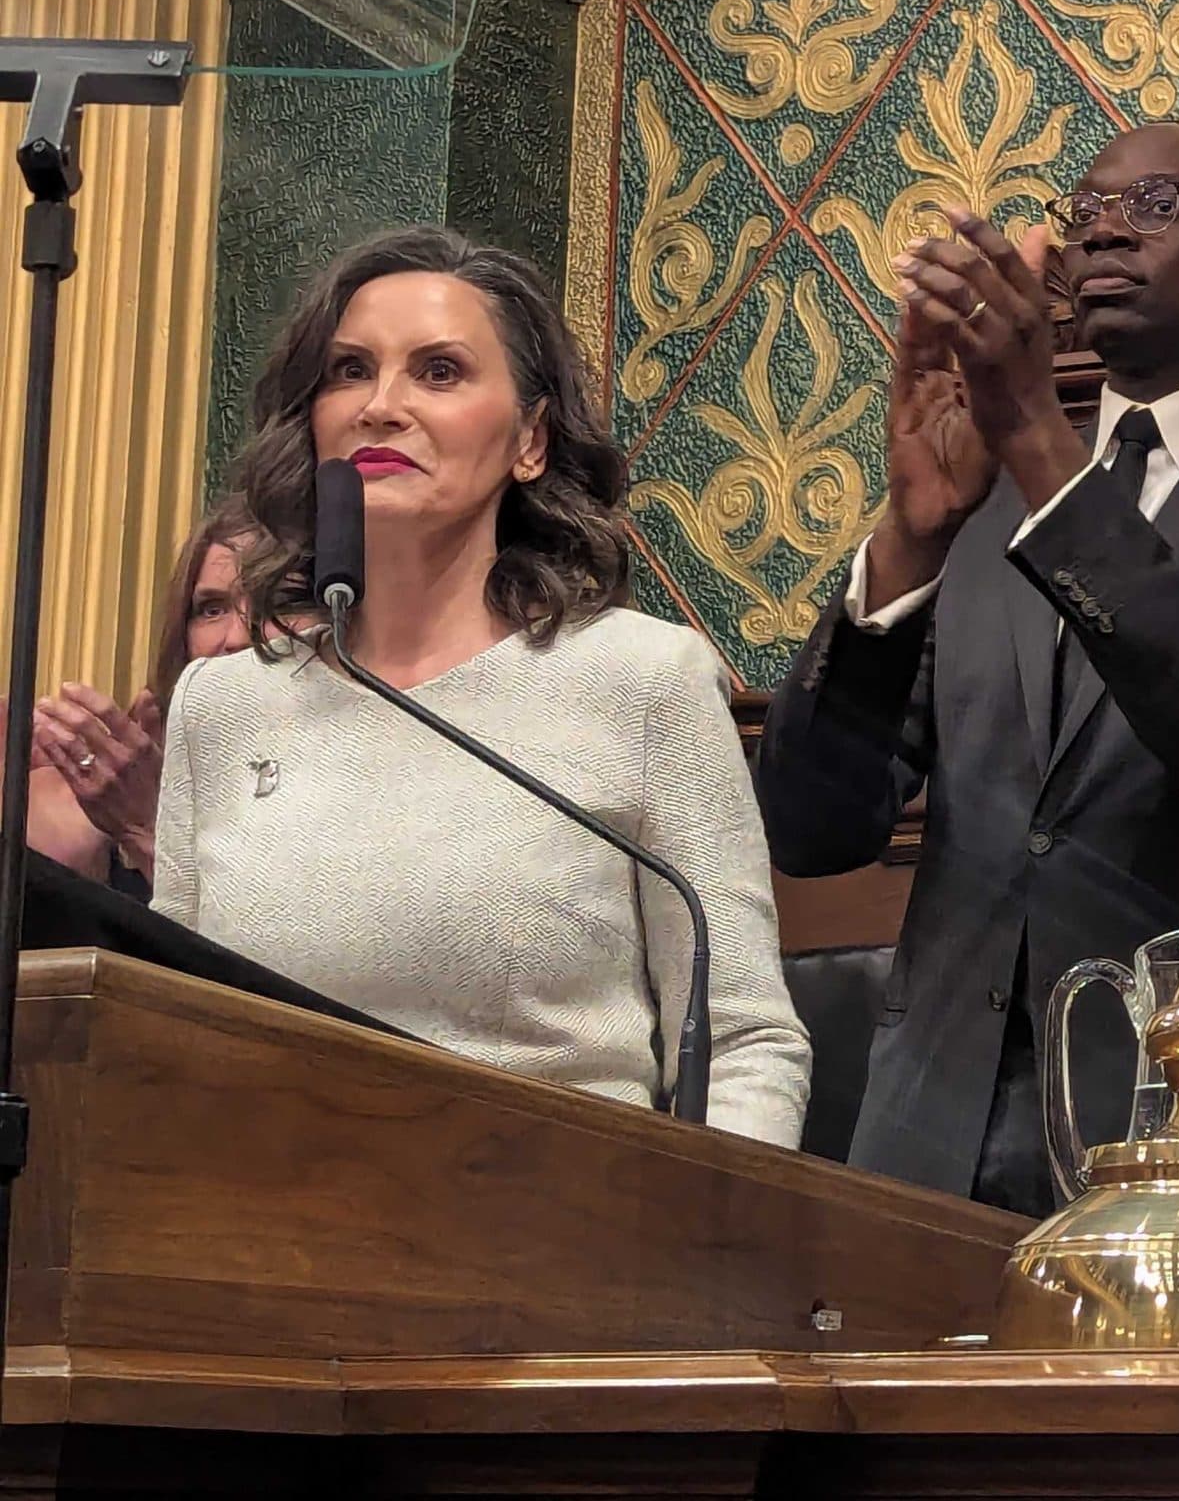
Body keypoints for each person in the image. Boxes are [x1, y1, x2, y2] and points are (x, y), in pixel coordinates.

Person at [756, 121, 1179, 1213]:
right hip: (926, 1147)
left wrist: (1038, 436)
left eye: (1157, 205)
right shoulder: (976, 504)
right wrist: (909, 537)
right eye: (1082, 215)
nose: (1104, 235)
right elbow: (811, 828)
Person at [154, 227, 810, 1146]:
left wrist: (696, 1260)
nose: (381, 406)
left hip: (558, 1248)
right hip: (264, 1239)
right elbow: (171, 1034)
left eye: (439, 372)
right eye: (348, 371)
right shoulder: (221, 708)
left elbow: (745, 1042)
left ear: (531, 439)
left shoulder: (642, 680)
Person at [30, 498, 259, 897]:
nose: (237, 637)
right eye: (211, 609)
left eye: (275, 604)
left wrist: (151, 827)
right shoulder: (125, 779)